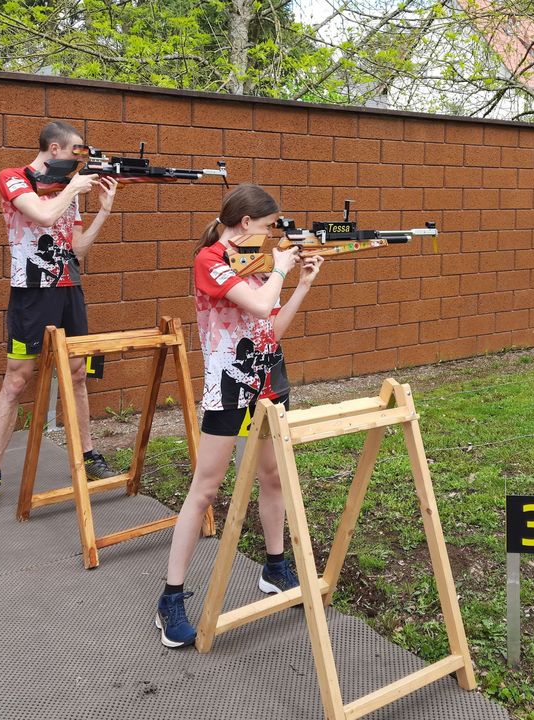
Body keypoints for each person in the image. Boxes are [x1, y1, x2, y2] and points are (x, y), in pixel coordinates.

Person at [154, 183, 324, 648]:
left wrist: (302, 282)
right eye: (269, 227)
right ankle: (170, 598)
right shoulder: (210, 260)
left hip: (270, 383)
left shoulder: (258, 267)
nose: (274, 237)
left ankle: (274, 567)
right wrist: (284, 270)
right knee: (205, 489)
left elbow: (271, 326)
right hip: (229, 391)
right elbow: (260, 303)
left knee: (272, 479)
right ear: (245, 222)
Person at [0, 120, 120, 515]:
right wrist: (74, 186)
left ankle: (89, 455)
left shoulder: (68, 189)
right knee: (17, 381)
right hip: (31, 294)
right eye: (75, 153)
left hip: (70, 289)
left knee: (77, 375)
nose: (79, 162)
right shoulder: (14, 178)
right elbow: (39, 215)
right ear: (54, 150)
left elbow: (78, 250)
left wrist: (103, 211)